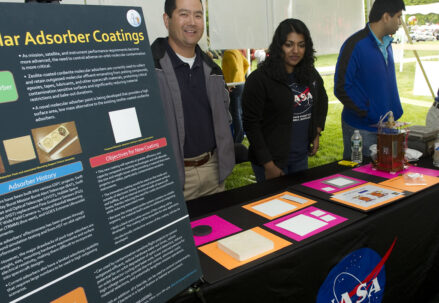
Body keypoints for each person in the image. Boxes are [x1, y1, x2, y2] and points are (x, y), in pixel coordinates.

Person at [151, 0, 235, 200]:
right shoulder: (149, 69)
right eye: (184, 14)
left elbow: (225, 118)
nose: (192, 22)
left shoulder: (213, 70)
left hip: (213, 173)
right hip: (172, 178)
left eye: (198, 15)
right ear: (167, 19)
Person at [242, 19, 328, 182]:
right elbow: (251, 125)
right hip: (271, 163)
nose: (295, 50)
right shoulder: (260, 79)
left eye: (301, 45)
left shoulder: (310, 74)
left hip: (300, 158)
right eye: (289, 44)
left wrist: (316, 131)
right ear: (279, 46)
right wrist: (269, 166)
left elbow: (322, 100)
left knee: (301, 204)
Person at [334, 0, 405, 159]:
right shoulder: (354, 44)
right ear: (386, 17)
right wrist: (367, 112)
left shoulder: (387, 43)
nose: (400, 22)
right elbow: (342, 87)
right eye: (399, 17)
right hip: (361, 129)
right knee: (361, 177)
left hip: (387, 128)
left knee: (386, 177)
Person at [221, 49, 249, 143]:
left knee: (235, 113)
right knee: (239, 112)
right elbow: (246, 64)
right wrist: (241, 76)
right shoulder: (237, 52)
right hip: (241, 83)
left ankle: (238, 138)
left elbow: (235, 68)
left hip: (234, 85)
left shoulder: (228, 53)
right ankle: (240, 135)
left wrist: (232, 83)